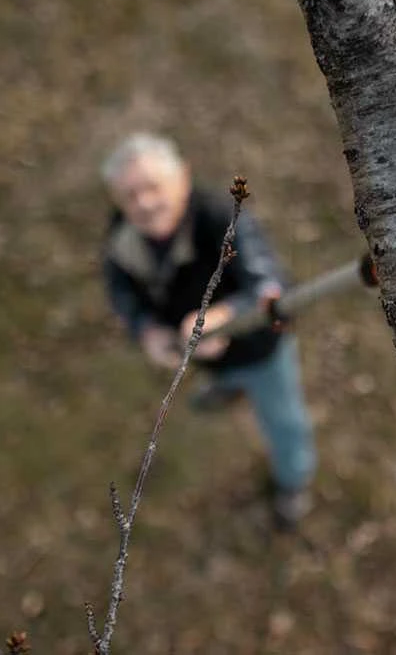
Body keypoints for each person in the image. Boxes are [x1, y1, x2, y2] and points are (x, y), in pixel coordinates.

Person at [100, 132, 315, 531]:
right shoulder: (122, 238)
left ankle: (294, 481)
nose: (144, 203)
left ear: (183, 177)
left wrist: (220, 317)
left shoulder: (222, 218)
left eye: (153, 187)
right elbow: (121, 293)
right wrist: (146, 331)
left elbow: (272, 287)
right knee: (221, 372)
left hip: (259, 350)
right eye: (130, 195)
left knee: (283, 417)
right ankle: (229, 385)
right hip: (198, 352)